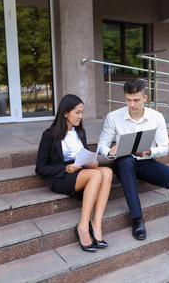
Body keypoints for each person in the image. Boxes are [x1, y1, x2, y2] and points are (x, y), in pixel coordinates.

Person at [98, 79, 169, 263]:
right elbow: (102, 144)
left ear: (145, 98)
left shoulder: (156, 117)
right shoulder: (113, 117)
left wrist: (149, 151)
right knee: (125, 161)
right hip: (124, 163)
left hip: (146, 162)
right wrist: (110, 151)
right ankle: (137, 219)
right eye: (128, 100)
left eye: (136, 100)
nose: (132, 104)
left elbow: (164, 147)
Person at [36, 94, 113, 252]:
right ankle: (83, 227)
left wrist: (91, 162)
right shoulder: (49, 135)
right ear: (65, 113)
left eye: (82, 112)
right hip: (61, 176)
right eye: (77, 112)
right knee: (97, 175)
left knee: (107, 171)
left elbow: (82, 156)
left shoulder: (80, 132)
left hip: (79, 172)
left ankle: (96, 224)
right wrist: (65, 168)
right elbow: (40, 168)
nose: (80, 116)